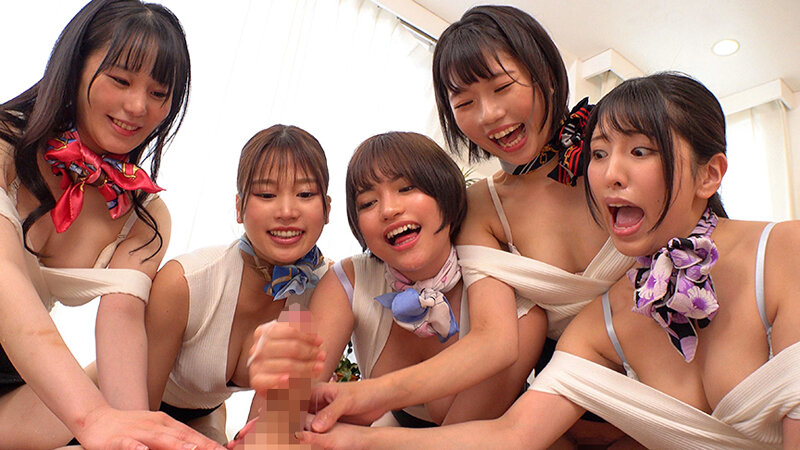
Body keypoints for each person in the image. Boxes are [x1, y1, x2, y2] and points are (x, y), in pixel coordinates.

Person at [298, 72, 800, 449]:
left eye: (640, 152)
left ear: (710, 175)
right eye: (599, 154)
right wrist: (354, 438)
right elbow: (512, 436)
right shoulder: (603, 320)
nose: (610, 175)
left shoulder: (784, 251)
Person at [304, 5, 633, 444]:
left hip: (671, 394)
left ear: (546, 74)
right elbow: (493, 342)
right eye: (464, 103)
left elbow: (702, 242)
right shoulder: (482, 208)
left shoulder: (623, 159)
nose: (489, 114)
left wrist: (363, 400)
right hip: (563, 418)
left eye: (503, 87)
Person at [0, 0, 222, 447]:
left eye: (159, 94)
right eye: (120, 80)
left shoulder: (145, 218)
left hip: (13, 396)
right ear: (75, 66)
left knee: (153, 384)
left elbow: (121, 329)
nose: (137, 106)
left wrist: (135, 432)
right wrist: (92, 419)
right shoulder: (4, 144)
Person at [146, 125, 332, 444]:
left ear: (327, 208)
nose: (287, 212)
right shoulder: (185, 282)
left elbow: (271, 426)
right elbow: (135, 418)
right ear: (238, 207)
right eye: (266, 195)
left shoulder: (326, 293)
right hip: (116, 407)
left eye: (305, 194)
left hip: (203, 418)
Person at [306, 131, 486, 427]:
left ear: (447, 191)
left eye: (406, 188)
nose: (389, 210)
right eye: (368, 203)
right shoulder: (348, 281)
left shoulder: (492, 277)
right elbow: (294, 398)